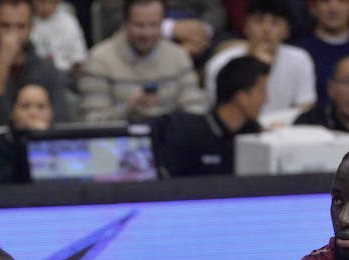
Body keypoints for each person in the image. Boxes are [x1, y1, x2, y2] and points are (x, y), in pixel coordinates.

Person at [79, 0, 207, 123]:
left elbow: (195, 110)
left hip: (169, 139)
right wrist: (126, 111)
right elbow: (92, 121)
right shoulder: (99, 60)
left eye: (154, 25)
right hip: (121, 141)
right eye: (139, 25)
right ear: (125, 23)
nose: (147, 34)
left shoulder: (179, 56)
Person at [153, 53, 267, 177]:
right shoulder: (188, 135)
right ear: (241, 97)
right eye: (261, 91)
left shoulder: (252, 134)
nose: (266, 99)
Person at [0, 0, 68, 127]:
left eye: (20, 26)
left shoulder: (47, 69)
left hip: (36, 143)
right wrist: (2, 60)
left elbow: (61, 120)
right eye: (5, 26)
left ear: (31, 27)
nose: (12, 34)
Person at [204, 0, 315, 115]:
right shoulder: (221, 63)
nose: (266, 30)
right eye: (259, 21)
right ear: (246, 27)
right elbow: (220, 112)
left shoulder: (300, 59)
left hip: (285, 128)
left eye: (275, 23)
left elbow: (305, 105)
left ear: (286, 31)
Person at [95, 0, 226, 62]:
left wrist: (201, 33)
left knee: (233, 53)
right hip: (140, 41)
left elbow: (216, 10)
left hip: (201, 40)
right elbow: (115, 21)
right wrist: (170, 28)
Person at [30, 0, 88, 80]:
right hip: (34, 77)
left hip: (66, 76)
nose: (46, 7)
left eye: (52, 2)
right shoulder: (25, 22)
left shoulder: (69, 22)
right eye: (42, 2)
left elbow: (79, 59)